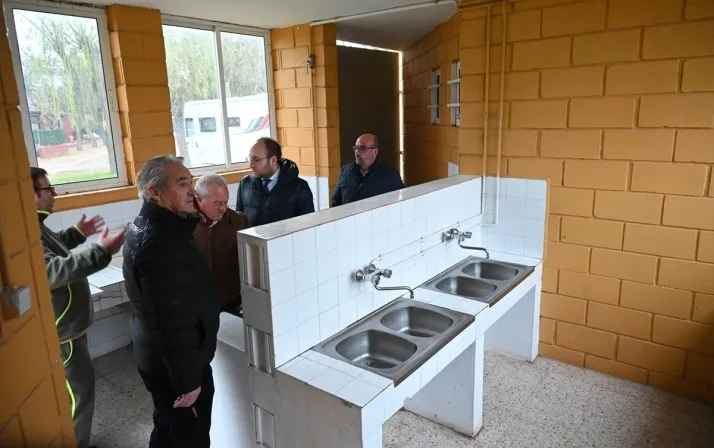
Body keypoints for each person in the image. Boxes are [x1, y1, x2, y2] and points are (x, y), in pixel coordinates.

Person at [122, 156, 220, 448]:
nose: (192, 191)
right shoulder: (161, 244)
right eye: (181, 184)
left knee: (167, 426)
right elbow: (172, 323)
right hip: (177, 368)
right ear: (155, 192)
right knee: (190, 437)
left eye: (191, 182)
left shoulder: (150, 228)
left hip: (159, 359)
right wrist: (188, 381)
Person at [32, 167, 126, 448]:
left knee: (74, 393)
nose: (54, 194)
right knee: (78, 396)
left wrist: (76, 234)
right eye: (48, 190)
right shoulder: (26, 232)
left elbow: (53, 246)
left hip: (68, 330)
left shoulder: (34, 225)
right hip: (63, 335)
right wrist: (100, 251)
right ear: (30, 195)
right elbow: (52, 270)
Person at [193, 174, 248, 316]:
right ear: (199, 199)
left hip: (231, 301)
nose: (223, 208)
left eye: (226, 202)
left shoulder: (238, 221)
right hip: (197, 306)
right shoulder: (184, 225)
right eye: (217, 203)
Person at [235, 137, 314, 226]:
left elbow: (308, 225)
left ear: (273, 160)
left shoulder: (300, 187)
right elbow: (238, 222)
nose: (251, 165)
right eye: (250, 159)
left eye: (256, 160)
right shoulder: (244, 184)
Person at [331, 134, 404, 207]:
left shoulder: (390, 175)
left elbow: (400, 204)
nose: (357, 152)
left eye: (362, 148)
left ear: (375, 152)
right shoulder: (346, 171)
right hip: (348, 214)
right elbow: (336, 202)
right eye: (356, 148)